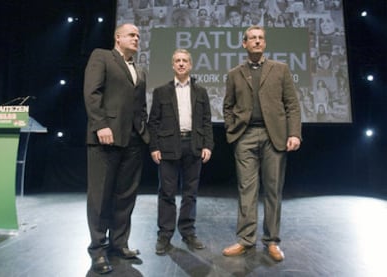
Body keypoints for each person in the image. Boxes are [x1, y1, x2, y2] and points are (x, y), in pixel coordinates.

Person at [222, 26, 302, 262]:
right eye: (252, 39)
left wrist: (294, 133)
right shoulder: (234, 73)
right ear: (244, 44)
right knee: (246, 190)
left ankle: (272, 241)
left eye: (260, 38)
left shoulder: (281, 69)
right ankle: (246, 240)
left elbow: (292, 105)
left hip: (273, 137)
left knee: (273, 191)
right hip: (245, 137)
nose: (257, 42)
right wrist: (232, 130)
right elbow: (228, 106)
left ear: (264, 43)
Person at [83, 23, 150, 274]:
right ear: (117, 37)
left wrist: (143, 132)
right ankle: (97, 250)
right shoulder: (101, 56)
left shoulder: (139, 70)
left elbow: (140, 105)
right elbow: (92, 93)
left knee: (125, 196)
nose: (136, 38)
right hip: (105, 137)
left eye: (138, 36)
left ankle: (119, 243)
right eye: (132, 35)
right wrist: (100, 124)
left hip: (132, 140)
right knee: (100, 197)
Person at [148, 49, 214, 255]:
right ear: (172, 65)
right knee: (166, 193)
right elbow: (153, 122)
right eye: (177, 60)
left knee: (190, 194)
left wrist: (208, 145)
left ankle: (188, 233)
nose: (181, 64)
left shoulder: (201, 92)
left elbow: (206, 121)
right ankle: (165, 235)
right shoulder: (161, 91)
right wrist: (154, 147)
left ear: (191, 65)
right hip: (168, 147)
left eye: (185, 60)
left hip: (193, 146)